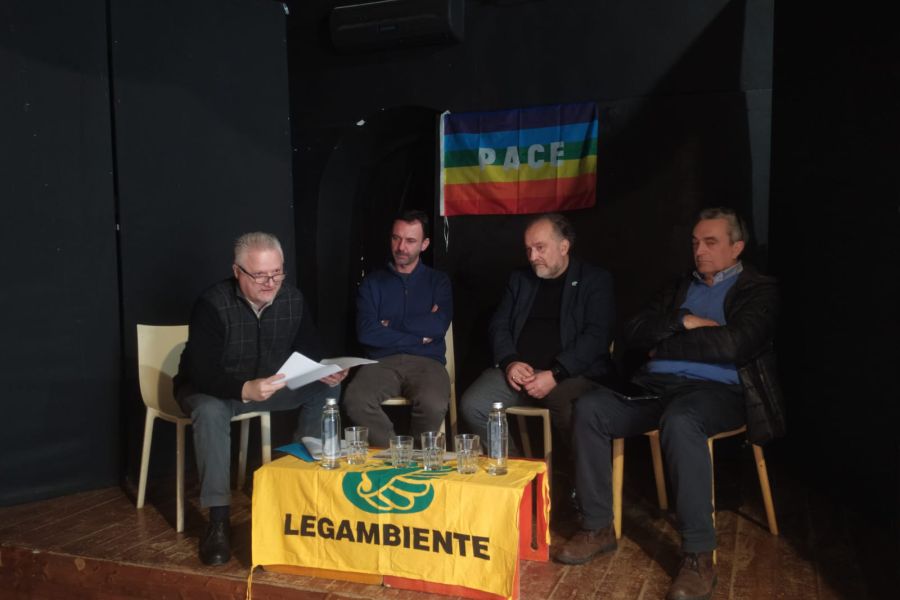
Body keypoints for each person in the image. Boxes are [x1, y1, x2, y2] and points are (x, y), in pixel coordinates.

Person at [556, 207, 785, 600]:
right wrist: (684, 320)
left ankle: (699, 556)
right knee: (591, 409)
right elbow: (634, 330)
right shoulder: (680, 287)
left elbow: (734, 344)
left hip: (718, 393)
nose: (699, 251)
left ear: (737, 247)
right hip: (655, 388)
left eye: (710, 242)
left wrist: (664, 345)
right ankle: (597, 526)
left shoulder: (759, 290)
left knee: (681, 420)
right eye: (695, 243)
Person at [173, 232, 348, 566]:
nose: (271, 283)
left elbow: (310, 348)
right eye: (260, 275)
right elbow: (202, 372)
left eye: (277, 273)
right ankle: (218, 521)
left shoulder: (292, 299)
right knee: (209, 411)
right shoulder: (212, 304)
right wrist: (244, 389)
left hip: (267, 386)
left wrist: (323, 370)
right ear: (237, 271)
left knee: (327, 390)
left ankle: (298, 486)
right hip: (213, 389)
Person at [460, 213, 615, 515]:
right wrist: (509, 362)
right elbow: (499, 325)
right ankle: (521, 480)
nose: (533, 257)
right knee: (474, 404)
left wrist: (556, 373)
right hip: (520, 372)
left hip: (569, 376)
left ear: (564, 246)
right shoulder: (520, 279)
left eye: (540, 248)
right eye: (529, 249)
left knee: (575, 412)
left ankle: (579, 488)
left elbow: (596, 337)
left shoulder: (595, 280)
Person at [342, 210, 453, 447]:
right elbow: (367, 333)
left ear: (424, 244)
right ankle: (398, 454)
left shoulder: (438, 281)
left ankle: (417, 459)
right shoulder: (372, 283)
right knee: (355, 399)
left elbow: (437, 326)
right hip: (381, 362)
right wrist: (417, 337)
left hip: (427, 363)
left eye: (410, 241)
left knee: (433, 403)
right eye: (396, 238)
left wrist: (390, 324)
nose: (401, 247)